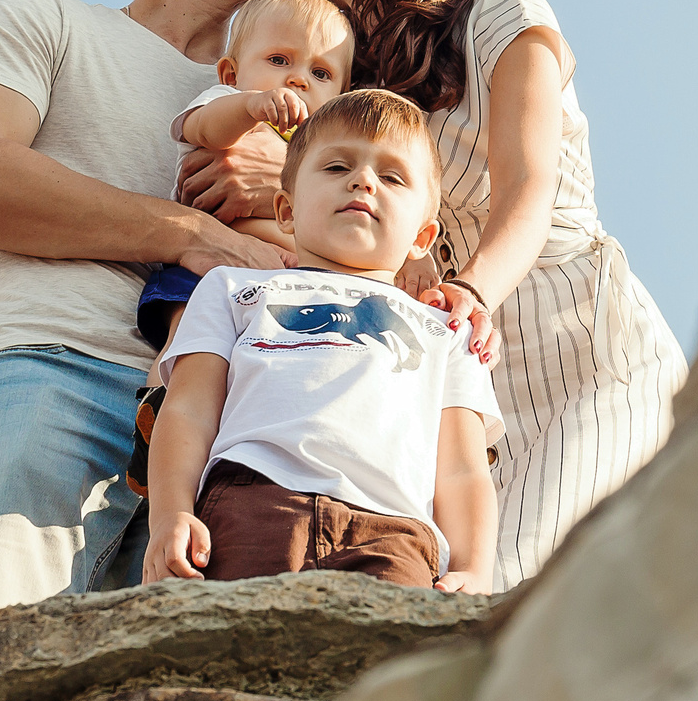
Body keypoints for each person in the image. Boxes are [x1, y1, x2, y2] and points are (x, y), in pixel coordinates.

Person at [0, 0, 298, 631]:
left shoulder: (292, 98)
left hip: (226, 426)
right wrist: (189, 232)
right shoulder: (44, 16)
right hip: (49, 372)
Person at [288, 0, 687, 588]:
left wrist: (469, 290)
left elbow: (527, 188)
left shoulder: (503, 15)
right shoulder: (362, 89)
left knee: (510, 595)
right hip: (472, 399)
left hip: (587, 359)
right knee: (458, 599)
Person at [142, 89, 501, 593]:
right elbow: (187, 411)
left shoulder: (447, 332)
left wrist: (476, 568)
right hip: (251, 505)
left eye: (392, 176)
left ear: (423, 237)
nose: (363, 181)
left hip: (396, 536)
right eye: (336, 168)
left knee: (383, 671)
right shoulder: (232, 288)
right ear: (285, 210)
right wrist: (170, 515)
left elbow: (463, 470)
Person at [132, 0, 355, 356]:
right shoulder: (227, 104)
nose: (299, 79)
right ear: (231, 73)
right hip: (209, 269)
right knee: (192, 345)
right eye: (280, 60)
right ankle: (159, 400)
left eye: (320, 72)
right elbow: (200, 128)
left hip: (293, 283)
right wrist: (250, 106)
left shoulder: (328, 146)